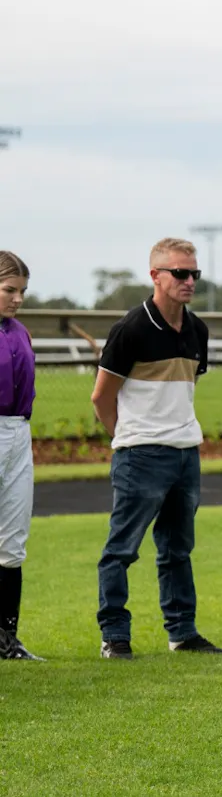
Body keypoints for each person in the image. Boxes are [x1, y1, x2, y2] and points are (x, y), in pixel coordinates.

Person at [91, 239, 222, 658]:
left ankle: (182, 633)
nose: (189, 281)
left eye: (194, 274)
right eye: (180, 273)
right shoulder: (130, 329)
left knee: (177, 550)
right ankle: (115, 636)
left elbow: (185, 390)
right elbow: (101, 398)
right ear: (156, 275)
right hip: (141, 455)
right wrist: (129, 438)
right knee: (121, 549)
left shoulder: (197, 330)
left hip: (187, 453)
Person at [0, 252, 40, 660]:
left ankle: (7, 638)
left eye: (22, 292)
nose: (17, 299)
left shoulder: (20, 333)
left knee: (13, 543)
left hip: (18, 434)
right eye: (9, 290)